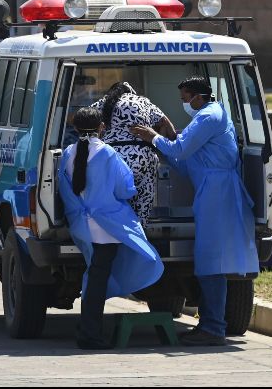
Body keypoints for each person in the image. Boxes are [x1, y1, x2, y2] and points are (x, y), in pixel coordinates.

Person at [131, 76, 259, 346]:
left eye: (185, 98)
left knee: (211, 263)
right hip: (209, 190)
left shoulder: (209, 116)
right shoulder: (207, 117)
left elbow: (180, 148)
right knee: (209, 262)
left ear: (198, 97)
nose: (184, 104)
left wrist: (155, 138)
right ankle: (212, 324)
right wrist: (166, 142)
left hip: (218, 193)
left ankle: (213, 327)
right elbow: (185, 159)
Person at [58, 107, 163, 350]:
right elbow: (125, 189)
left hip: (81, 226)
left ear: (75, 128)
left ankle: (87, 327)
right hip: (107, 228)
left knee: (95, 273)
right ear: (102, 128)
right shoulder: (108, 153)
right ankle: (89, 334)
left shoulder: (67, 153)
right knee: (98, 278)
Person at [91, 82, 177, 226]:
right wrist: (172, 138)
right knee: (142, 202)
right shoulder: (143, 101)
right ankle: (139, 232)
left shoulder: (104, 102)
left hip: (112, 157)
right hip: (142, 156)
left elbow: (84, 118)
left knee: (114, 202)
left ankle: (116, 234)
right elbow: (165, 122)